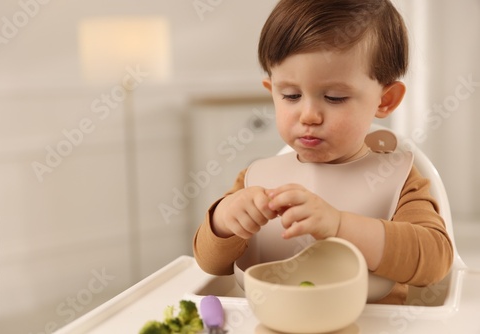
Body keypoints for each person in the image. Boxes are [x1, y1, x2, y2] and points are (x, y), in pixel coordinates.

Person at [192, 0, 453, 304]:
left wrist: (339, 225)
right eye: (291, 95)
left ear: (385, 100)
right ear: (271, 92)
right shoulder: (257, 179)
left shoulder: (397, 178)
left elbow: (435, 261)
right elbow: (210, 264)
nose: (309, 116)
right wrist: (224, 221)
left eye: (334, 97)